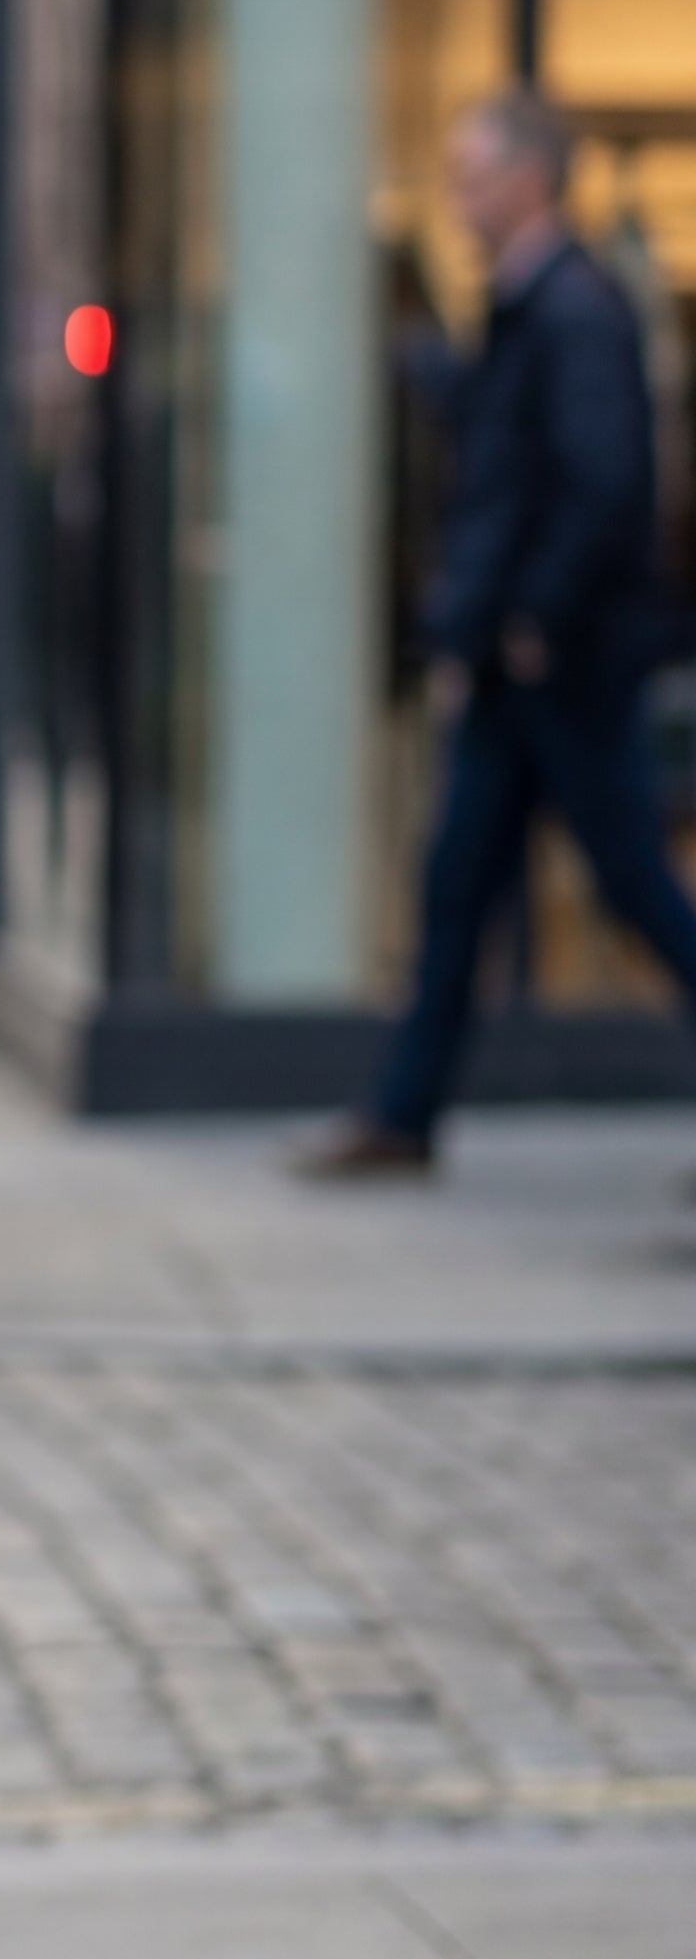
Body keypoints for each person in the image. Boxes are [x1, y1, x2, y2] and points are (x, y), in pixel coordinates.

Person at [303, 83, 696, 1175]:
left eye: (471, 177)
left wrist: (531, 615)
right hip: (511, 656)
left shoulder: (572, 309)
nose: (457, 199)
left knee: (631, 885)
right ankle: (401, 1115)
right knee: (455, 886)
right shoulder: (530, 312)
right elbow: (514, 465)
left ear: (528, 182)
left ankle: (401, 1115)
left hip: (556, 662)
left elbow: (600, 481)